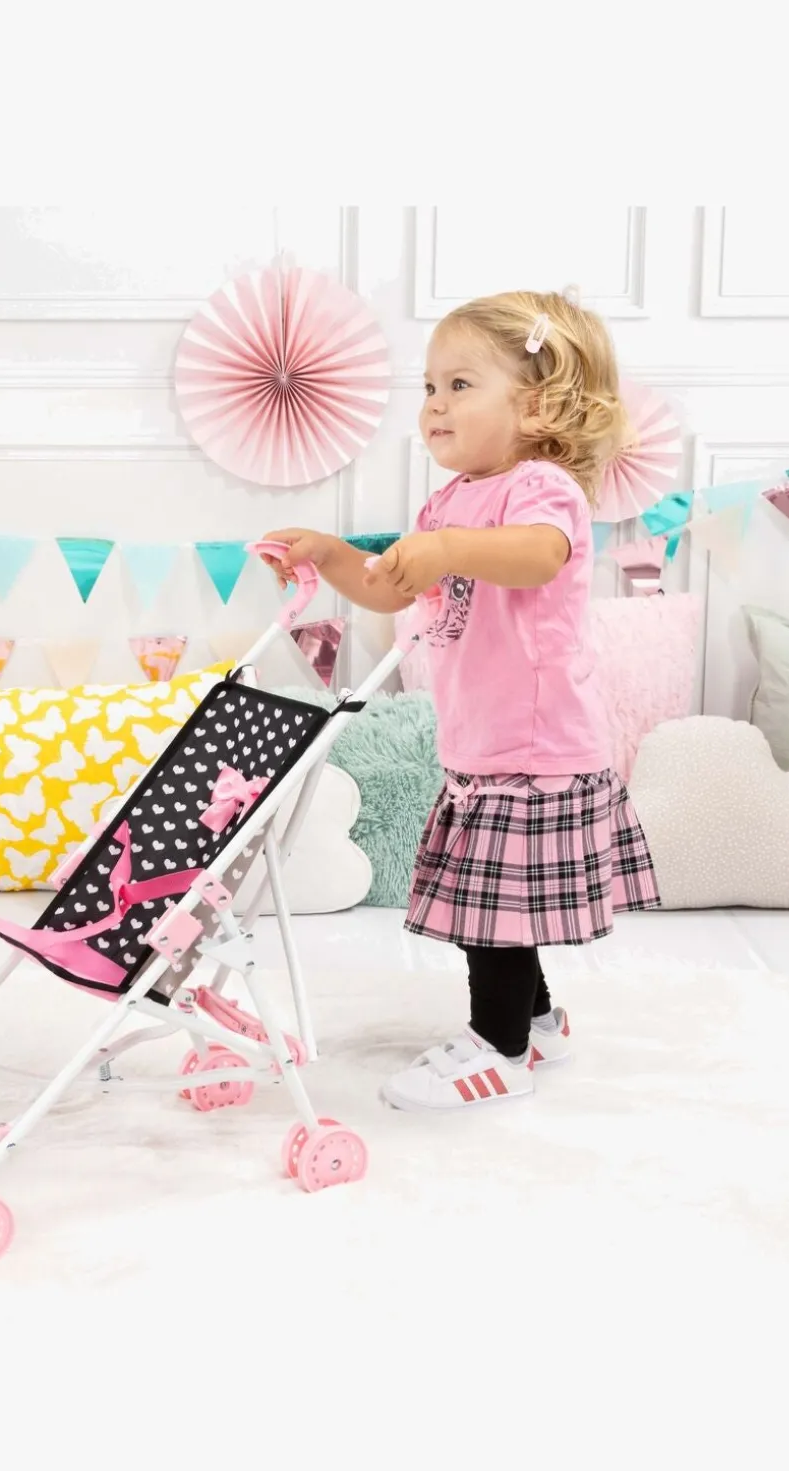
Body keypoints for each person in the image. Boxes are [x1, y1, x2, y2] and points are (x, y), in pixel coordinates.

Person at [259, 288, 661, 1112]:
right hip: (483, 743)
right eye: (430, 387)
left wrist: (447, 546)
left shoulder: (542, 487)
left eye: (460, 385)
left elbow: (539, 555)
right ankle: (539, 1023)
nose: (435, 404)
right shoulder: (447, 503)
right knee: (502, 906)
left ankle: (499, 1049)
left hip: (536, 746)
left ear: (536, 404)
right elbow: (389, 588)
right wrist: (331, 554)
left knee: (491, 919)